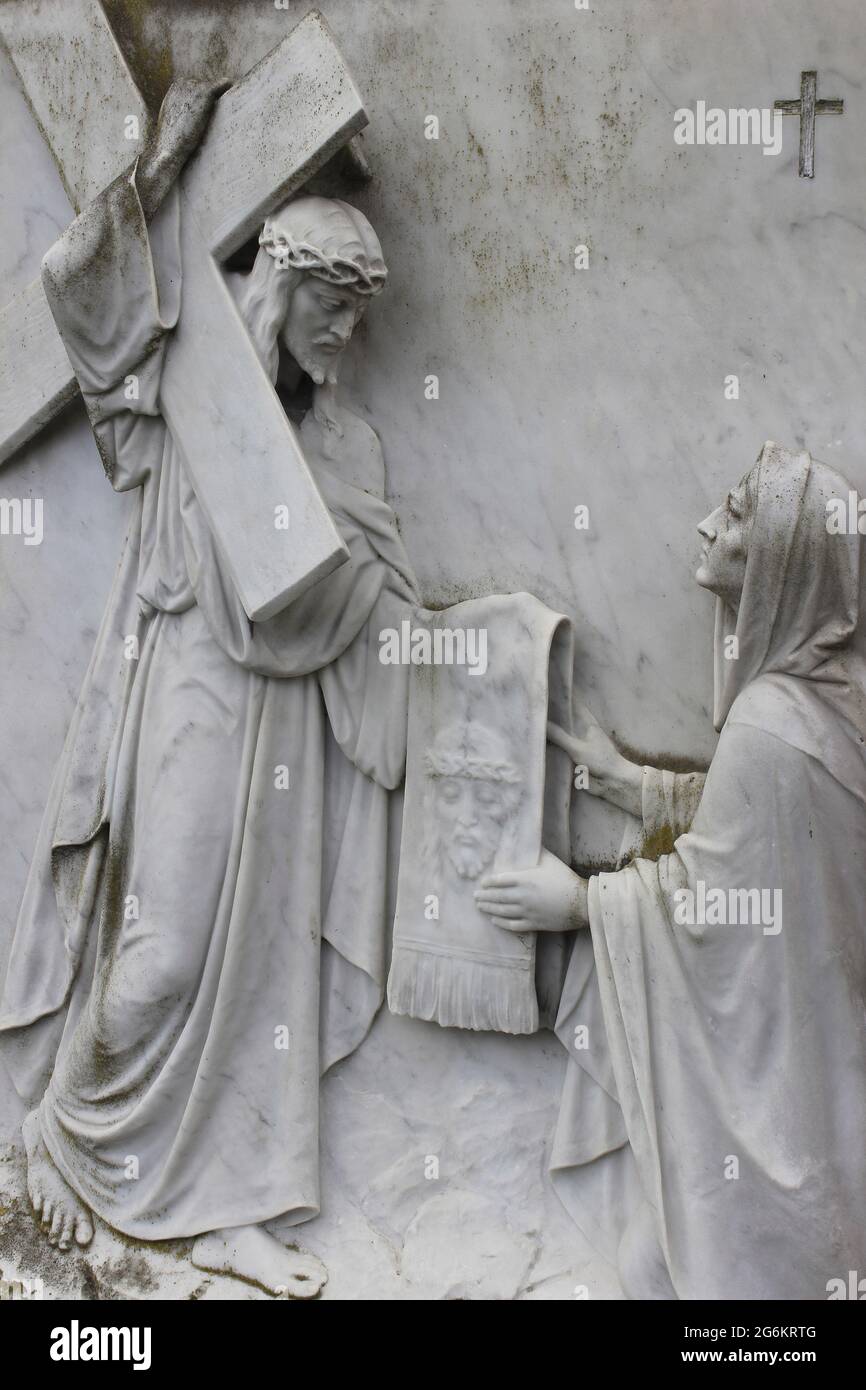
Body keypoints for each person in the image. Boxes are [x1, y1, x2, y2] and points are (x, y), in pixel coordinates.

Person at [0, 83, 417, 1297]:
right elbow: (82, 291)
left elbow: (378, 588)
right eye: (330, 316)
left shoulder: (340, 449)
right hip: (185, 697)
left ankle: (228, 1207)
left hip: (289, 727)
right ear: (280, 293)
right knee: (166, 950)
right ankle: (59, 1137)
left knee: (263, 967)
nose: (343, 345)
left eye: (357, 325)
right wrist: (166, 158)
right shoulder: (185, 399)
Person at [476, 442, 866, 1299]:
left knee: (665, 1272)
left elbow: (713, 899)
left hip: (777, 1100)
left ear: (777, 565)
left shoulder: (771, 725)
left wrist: (581, 902)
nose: (707, 524)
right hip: (824, 1077)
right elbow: (762, 828)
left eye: (733, 516)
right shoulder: (827, 706)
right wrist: (625, 781)